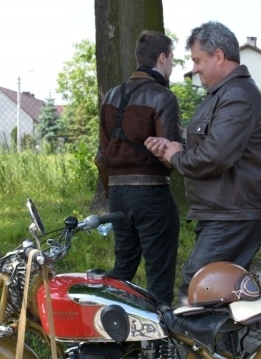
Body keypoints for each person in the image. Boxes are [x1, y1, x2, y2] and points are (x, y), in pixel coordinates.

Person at [144, 21, 261, 304]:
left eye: (197, 60)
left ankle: (197, 349)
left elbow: (215, 157)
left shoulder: (237, 96)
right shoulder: (223, 95)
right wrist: (176, 144)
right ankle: (220, 349)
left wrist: (175, 156)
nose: (194, 68)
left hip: (232, 215)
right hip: (226, 212)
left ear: (218, 56)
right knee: (220, 295)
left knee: (197, 292)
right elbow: (210, 143)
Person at [94, 30, 183, 305]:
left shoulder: (110, 96)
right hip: (152, 195)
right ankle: (158, 344)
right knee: (159, 280)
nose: (172, 67)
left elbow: (101, 156)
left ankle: (110, 332)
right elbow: (168, 152)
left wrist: (113, 194)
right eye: (171, 60)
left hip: (119, 196)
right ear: (161, 57)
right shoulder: (162, 97)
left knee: (122, 271)